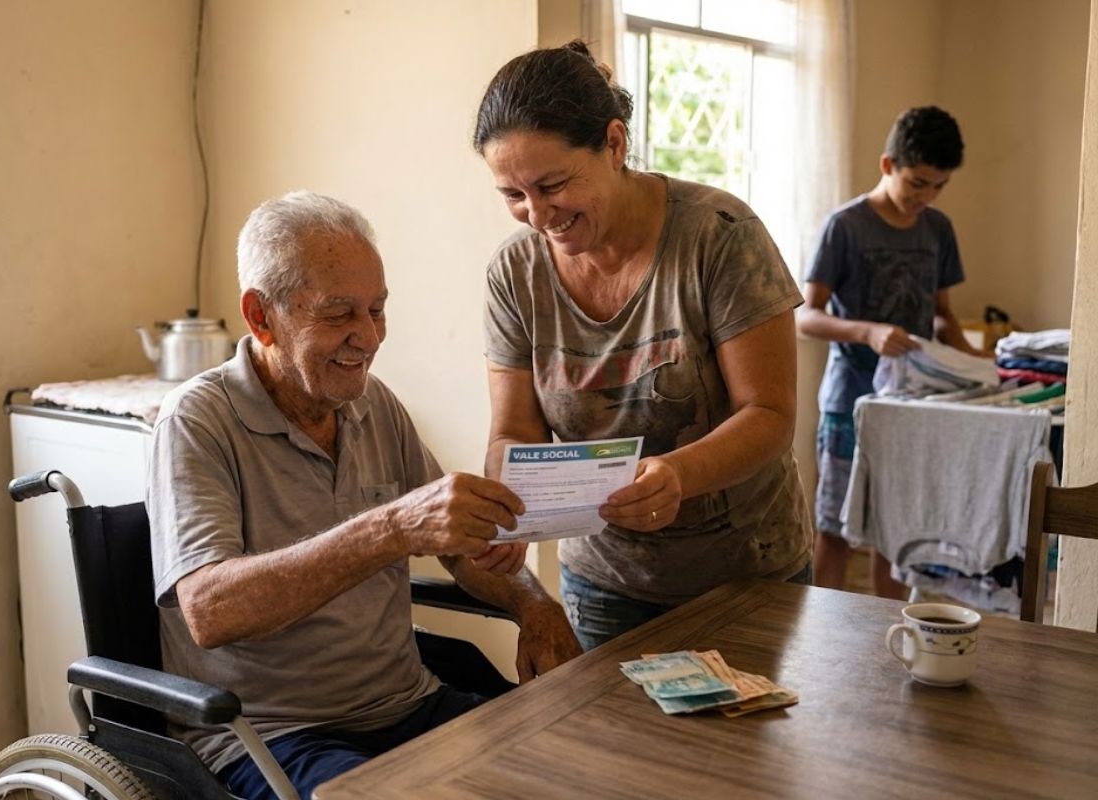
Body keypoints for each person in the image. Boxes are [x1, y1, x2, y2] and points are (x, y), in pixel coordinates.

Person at [148, 190, 581, 800]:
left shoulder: (372, 403)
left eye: (377, 309)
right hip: (271, 733)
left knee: (567, 766)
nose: (369, 336)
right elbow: (210, 609)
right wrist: (391, 528)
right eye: (338, 314)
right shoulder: (197, 420)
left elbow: (460, 549)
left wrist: (533, 606)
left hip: (406, 705)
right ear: (260, 315)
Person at [472, 41, 813, 652]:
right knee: (615, 747)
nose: (536, 214)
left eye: (552, 185)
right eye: (513, 195)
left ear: (614, 144)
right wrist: (510, 508)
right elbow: (513, 430)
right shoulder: (514, 273)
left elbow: (770, 417)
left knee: (747, 746)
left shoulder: (720, 237)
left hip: (747, 574)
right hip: (605, 582)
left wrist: (677, 475)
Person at [796, 106, 991, 598]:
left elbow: (942, 315)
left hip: (913, 402)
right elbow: (805, 314)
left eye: (939, 186)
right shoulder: (845, 226)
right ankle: (823, 632)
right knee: (834, 526)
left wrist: (977, 363)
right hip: (851, 404)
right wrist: (867, 333)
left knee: (895, 530)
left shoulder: (938, 229)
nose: (926, 198)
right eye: (918, 183)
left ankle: (887, 640)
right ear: (888, 166)